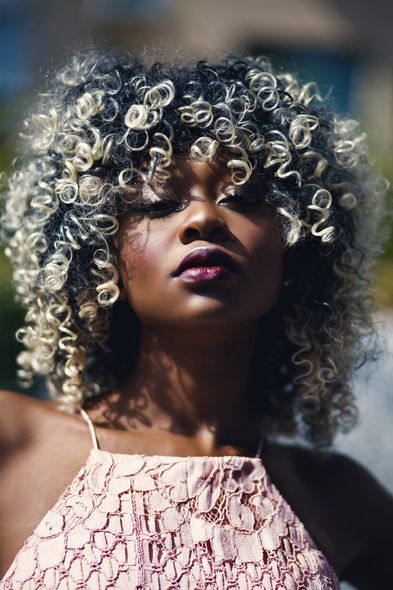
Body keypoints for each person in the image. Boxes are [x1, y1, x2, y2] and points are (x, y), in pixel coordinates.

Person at [0, 47, 392, 589]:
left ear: (299, 246)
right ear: (96, 252)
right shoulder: (14, 444)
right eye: (159, 203)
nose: (204, 217)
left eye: (246, 197)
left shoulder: (336, 498)